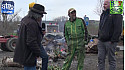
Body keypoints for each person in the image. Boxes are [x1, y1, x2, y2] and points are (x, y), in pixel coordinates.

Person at [13, 4, 48, 70]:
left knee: (29, 66)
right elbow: (31, 41)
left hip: (25, 50)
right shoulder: (32, 23)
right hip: (28, 52)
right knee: (30, 67)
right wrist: (37, 52)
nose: (42, 16)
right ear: (36, 14)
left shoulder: (26, 19)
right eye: (41, 14)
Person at [97, 0, 123, 70]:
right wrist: (99, 37)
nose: (103, 5)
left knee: (111, 60)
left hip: (110, 41)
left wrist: (113, 40)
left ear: (110, 5)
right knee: (100, 59)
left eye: (105, 4)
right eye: (104, 4)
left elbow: (118, 28)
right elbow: (101, 26)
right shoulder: (103, 14)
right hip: (101, 41)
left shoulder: (116, 13)